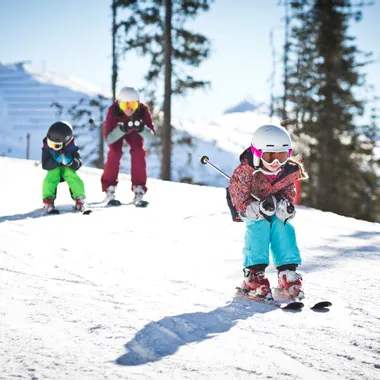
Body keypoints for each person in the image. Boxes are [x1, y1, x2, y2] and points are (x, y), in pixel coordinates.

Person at [229, 124, 308, 301]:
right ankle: (253, 275)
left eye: (281, 156)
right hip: (249, 208)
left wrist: (285, 208)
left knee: (282, 225)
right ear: (257, 154)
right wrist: (257, 208)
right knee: (260, 225)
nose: (275, 163)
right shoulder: (245, 171)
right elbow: (239, 201)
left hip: (273, 206)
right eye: (270, 156)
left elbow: (288, 194)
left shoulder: (287, 171)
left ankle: (287, 273)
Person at [101, 86, 155, 206]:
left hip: (135, 132)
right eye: (125, 106)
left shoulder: (143, 110)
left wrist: (142, 128)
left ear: (138, 104)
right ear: (119, 103)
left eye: (133, 106)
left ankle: (139, 188)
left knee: (138, 151)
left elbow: (152, 136)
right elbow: (109, 139)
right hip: (117, 132)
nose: (129, 110)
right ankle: (109, 188)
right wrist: (122, 128)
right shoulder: (113, 110)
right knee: (115, 152)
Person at [41, 121, 86, 213]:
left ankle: (79, 198)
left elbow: (78, 164)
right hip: (54, 167)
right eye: (50, 143)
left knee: (72, 176)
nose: (52, 147)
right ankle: (48, 200)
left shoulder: (72, 147)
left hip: (67, 167)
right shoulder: (47, 147)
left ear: (65, 142)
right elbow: (45, 165)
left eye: (56, 145)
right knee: (51, 177)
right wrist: (55, 160)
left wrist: (70, 162)